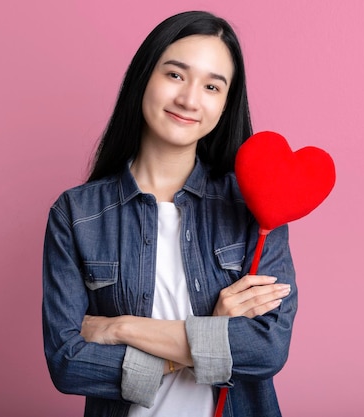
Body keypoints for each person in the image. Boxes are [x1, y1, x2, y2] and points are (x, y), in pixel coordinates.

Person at [42, 10, 297, 417]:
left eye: (212, 86)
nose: (189, 99)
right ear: (145, 76)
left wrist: (118, 328)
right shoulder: (76, 214)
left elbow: (266, 348)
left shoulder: (254, 206)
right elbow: (68, 363)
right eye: (175, 75)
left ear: (225, 104)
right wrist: (209, 334)